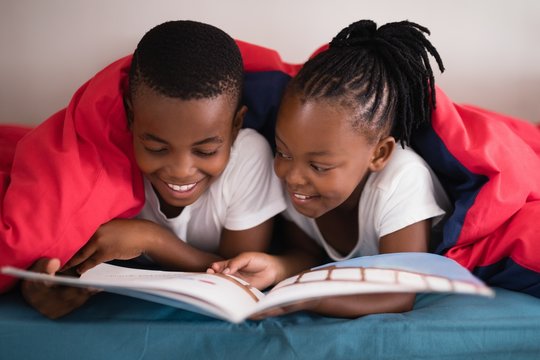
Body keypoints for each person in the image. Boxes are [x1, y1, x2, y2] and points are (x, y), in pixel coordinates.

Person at [16, 20, 286, 318]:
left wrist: (151, 238)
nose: (181, 170)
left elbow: (238, 270)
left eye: (206, 150)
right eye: (157, 148)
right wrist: (46, 283)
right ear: (131, 119)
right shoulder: (108, 158)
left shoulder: (248, 157)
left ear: (236, 126)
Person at [208, 20, 452, 318]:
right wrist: (275, 268)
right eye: (283, 151)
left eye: (319, 166)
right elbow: (308, 254)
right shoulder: (294, 182)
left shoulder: (402, 180)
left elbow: (398, 295)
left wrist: (303, 300)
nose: (292, 176)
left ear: (379, 154)